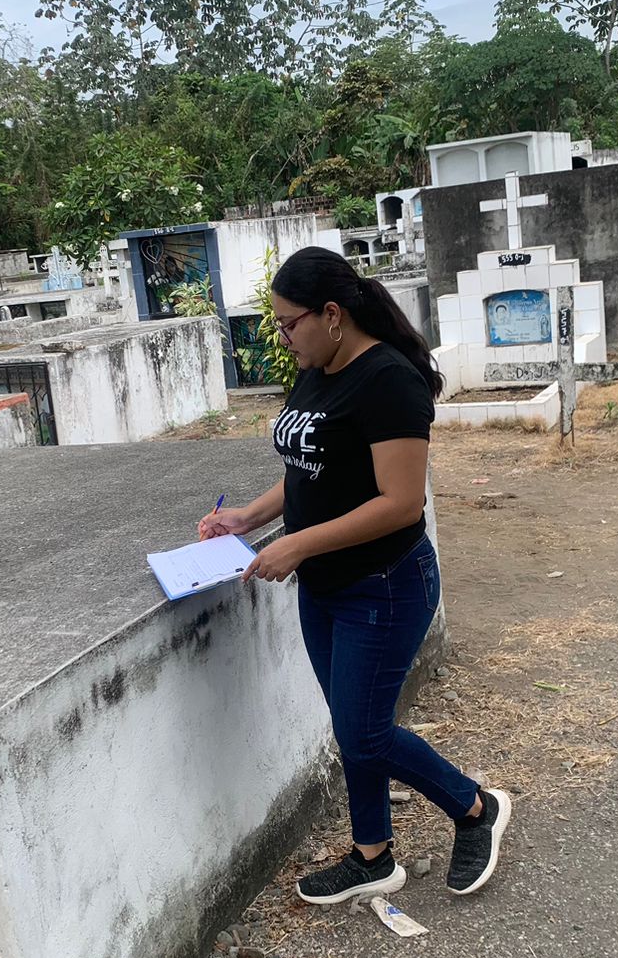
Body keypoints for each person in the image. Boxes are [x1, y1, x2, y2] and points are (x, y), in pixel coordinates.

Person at [199, 246, 510, 907]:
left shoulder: (388, 381)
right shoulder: (317, 370)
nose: (283, 338)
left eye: (289, 324)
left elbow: (401, 503)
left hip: (385, 583)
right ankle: (372, 856)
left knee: (364, 732)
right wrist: (248, 517)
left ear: (332, 314)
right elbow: (308, 468)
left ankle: (476, 808)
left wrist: (296, 544)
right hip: (327, 587)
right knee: (353, 724)